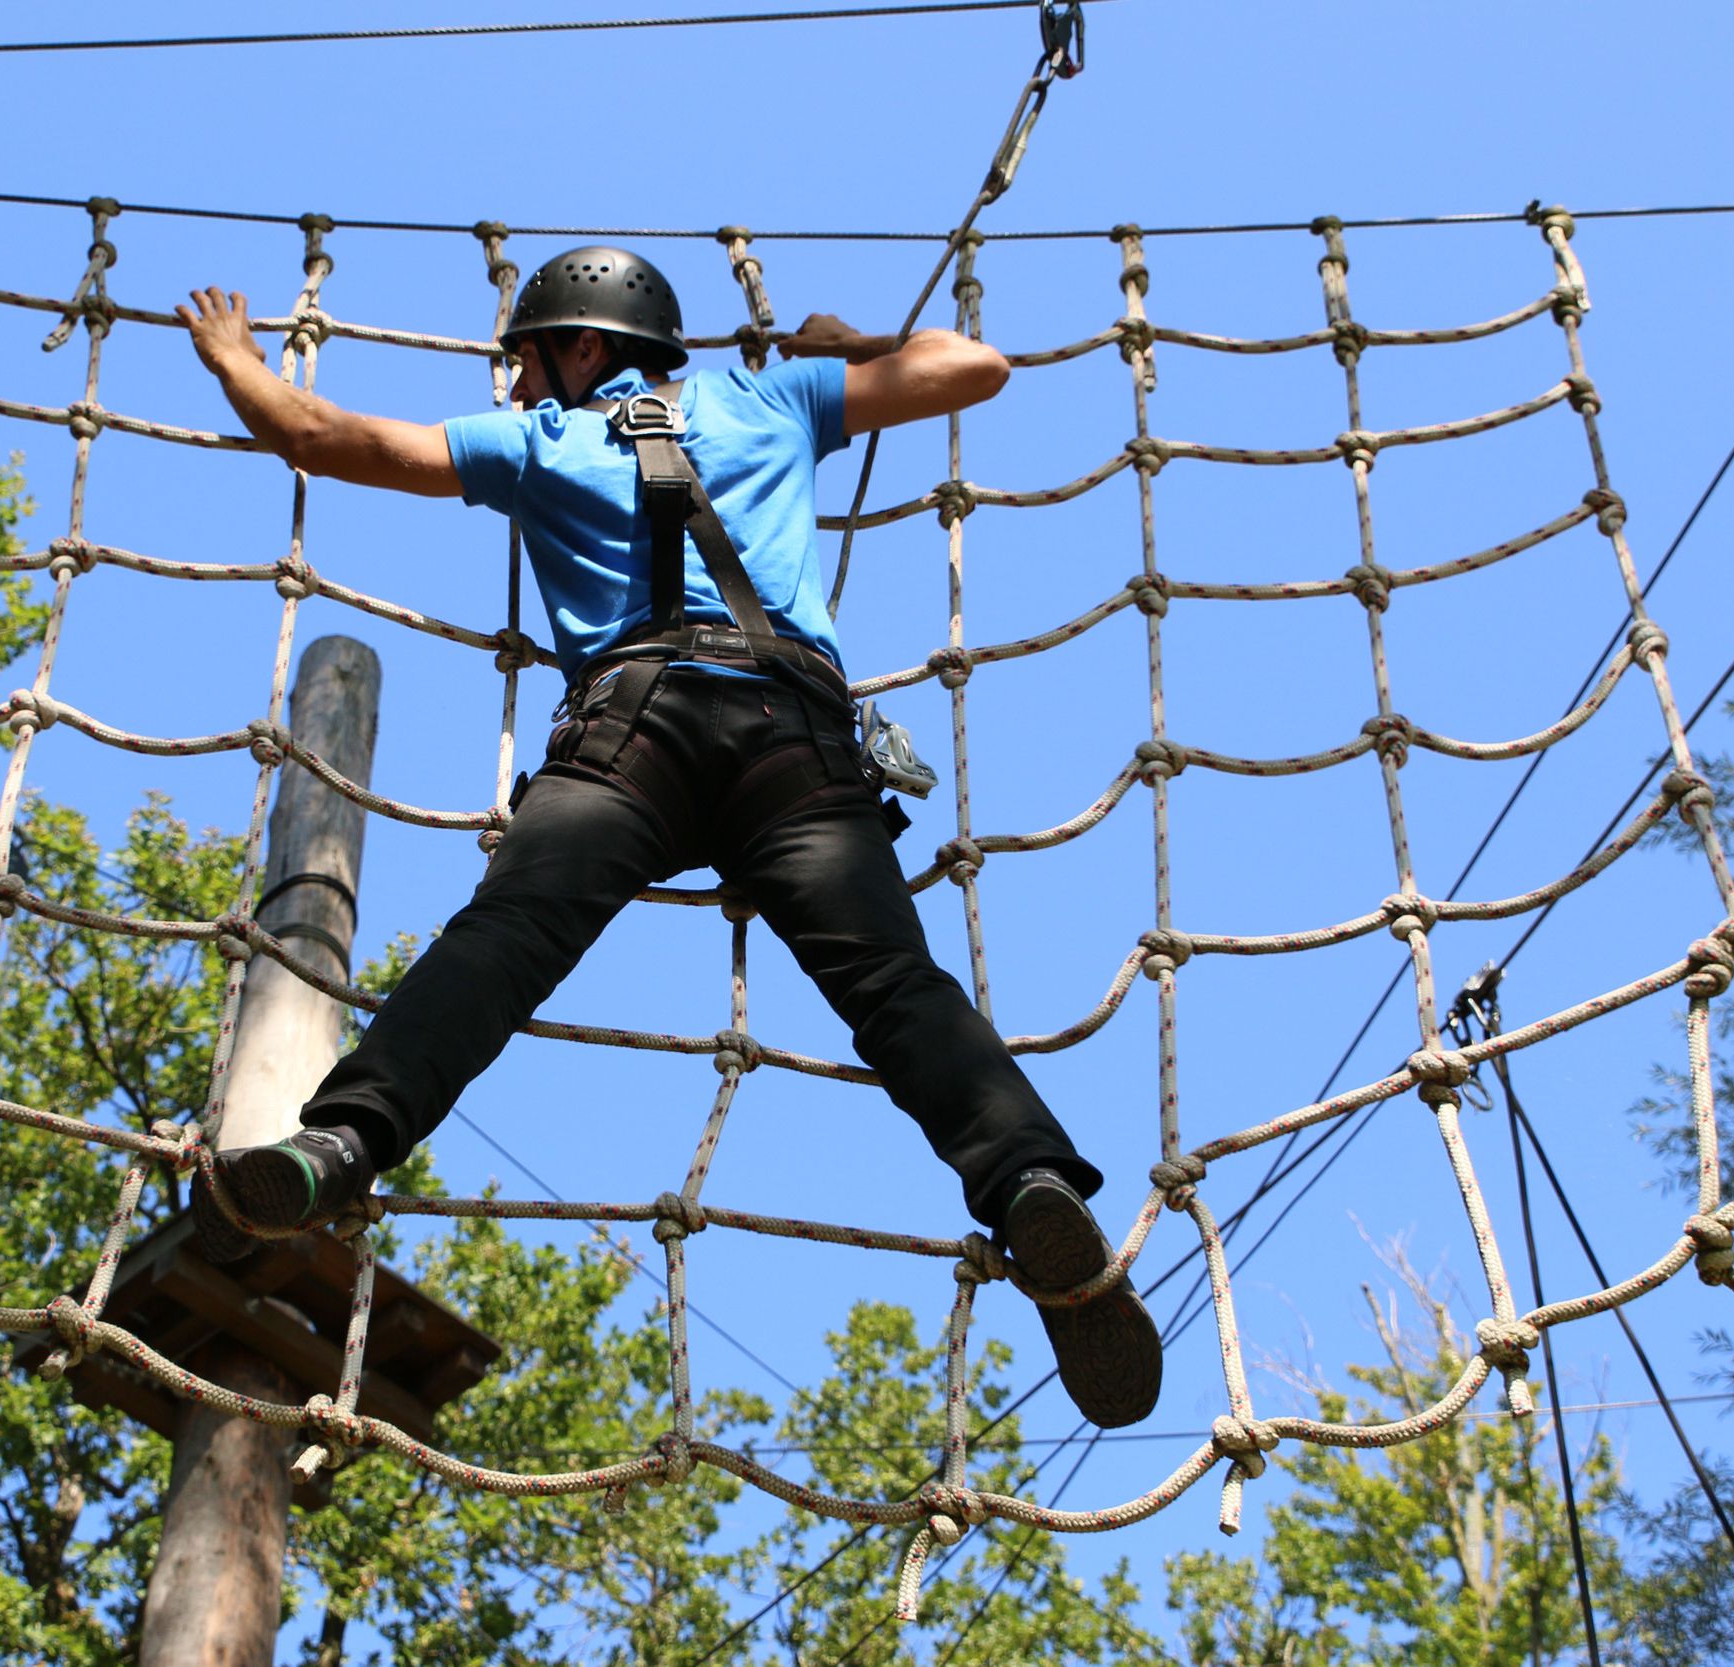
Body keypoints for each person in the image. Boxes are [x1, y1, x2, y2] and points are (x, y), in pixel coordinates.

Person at [173, 247, 1162, 1427]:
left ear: (583, 348)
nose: (520, 382)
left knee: (501, 945)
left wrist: (233, 357)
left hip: (626, 733)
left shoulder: (535, 443)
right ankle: (1030, 1180)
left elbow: (327, 436)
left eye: (530, 357)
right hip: (789, 731)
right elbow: (973, 367)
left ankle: (340, 1143)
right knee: (896, 987)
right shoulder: (770, 398)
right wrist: (834, 347)